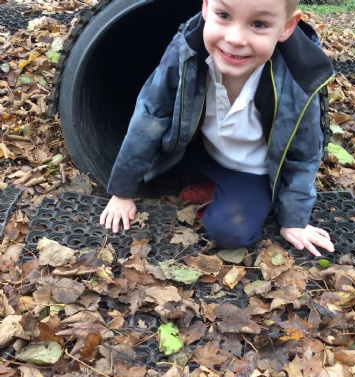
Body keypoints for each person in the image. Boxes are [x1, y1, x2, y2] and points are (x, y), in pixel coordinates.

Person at [100, 0, 336, 257]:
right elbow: (150, 116)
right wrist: (122, 193)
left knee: (231, 231)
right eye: (223, 15)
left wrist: (295, 220)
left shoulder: (296, 76)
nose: (234, 38)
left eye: (259, 24)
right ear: (206, 7)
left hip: (250, 171)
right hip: (196, 150)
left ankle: (224, 190)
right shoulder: (186, 48)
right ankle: (213, 184)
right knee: (148, 162)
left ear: (287, 26)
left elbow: (304, 153)